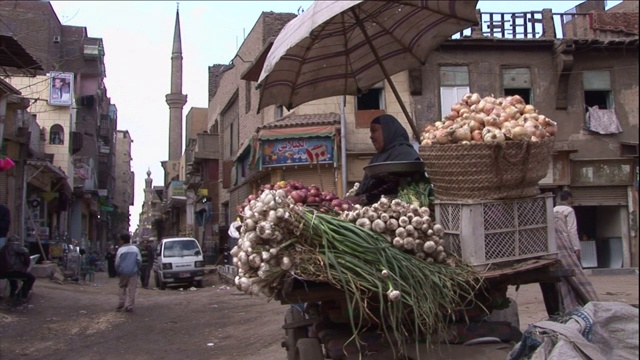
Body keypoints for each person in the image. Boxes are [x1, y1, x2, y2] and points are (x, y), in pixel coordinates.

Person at [344, 114, 424, 206]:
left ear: (388, 131)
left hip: (398, 210)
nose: (371, 137)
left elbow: (395, 186)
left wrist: (363, 199)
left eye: (374, 131)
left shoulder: (405, 154)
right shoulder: (378, 157)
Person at [0, 235, 36, 305]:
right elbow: (25, 252)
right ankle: (21, 296)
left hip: (3, 272)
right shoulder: (15, 246)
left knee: (13, 281)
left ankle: (12, 295)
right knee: (31, 278)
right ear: (17, 241)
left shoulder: (3, 248)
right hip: (14, 270)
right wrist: (26, 265)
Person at [115, 233, 141, 312]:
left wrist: (118, 270)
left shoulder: (120, 250)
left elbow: (117, 263)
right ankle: (130, 306)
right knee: (132, 289)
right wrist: (137, 268)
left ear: (122, 240)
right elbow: (139, 260)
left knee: (122, 287)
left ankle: (121, 302)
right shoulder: (135, 249)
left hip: (123, 271)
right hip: (133, 272)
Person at [553, 190, 581, 263]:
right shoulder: (569, 210)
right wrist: (576, 247)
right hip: (567, 242)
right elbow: (572, 230)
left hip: (555, 243)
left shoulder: (553, 210)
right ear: (569, 198)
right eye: (572, 199)